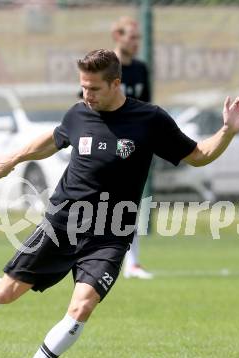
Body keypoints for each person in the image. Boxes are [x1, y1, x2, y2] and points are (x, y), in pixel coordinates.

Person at [0, 49, 239, 358]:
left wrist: (228, 131)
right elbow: (54, 138)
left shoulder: (150, 119)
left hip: (111, 233)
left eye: (93, 88)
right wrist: (15, 158)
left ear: (115, 84)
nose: (86, 95)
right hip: (62, 223)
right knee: (6, 294)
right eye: (82, 87)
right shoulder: (79, 112)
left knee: (82, 307)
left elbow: (198, 155)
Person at [112, 16, 153, 279]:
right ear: (117, 35)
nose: (136, 42)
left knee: (129, 204)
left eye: (138, 38)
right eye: (132, 37)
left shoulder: (140, 69)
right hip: (107, 142)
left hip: (132, 145)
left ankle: (133, 263)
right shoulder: (106, 66)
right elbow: (86, 100)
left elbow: (147, 107)